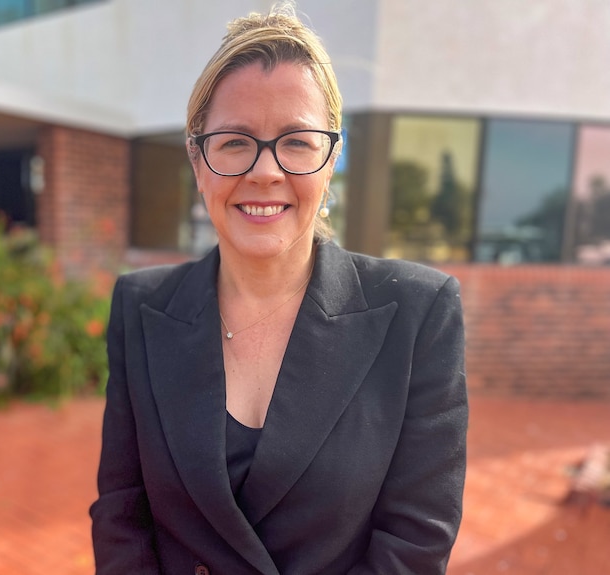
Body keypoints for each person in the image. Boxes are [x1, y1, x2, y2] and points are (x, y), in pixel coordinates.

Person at [90, 3, 468, 574]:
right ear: (198, 160)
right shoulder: (141, 308)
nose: (265, 171)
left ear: (332, 159)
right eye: (235, 141)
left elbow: (415, 543)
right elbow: (121, 514)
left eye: (296, 141)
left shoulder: (419, 314)